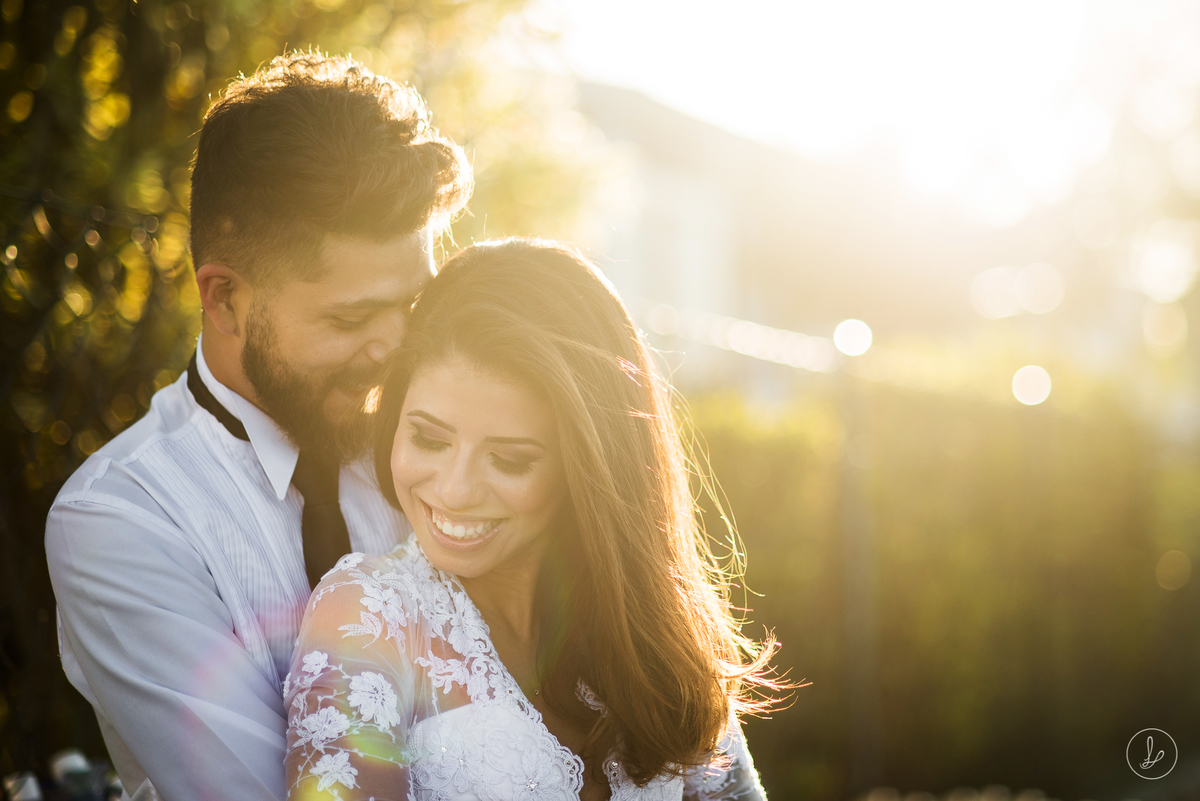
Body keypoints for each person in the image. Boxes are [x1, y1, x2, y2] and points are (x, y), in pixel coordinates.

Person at [45, 53, 471, 801]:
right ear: (225, 300)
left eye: (412, 304)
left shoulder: (455, 451)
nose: (396, 347)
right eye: (349, 317)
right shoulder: (120, 520)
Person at [284, 240, 781, 800]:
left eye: (510, 459)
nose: (454, 489)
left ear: (588, 467)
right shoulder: (368, 617)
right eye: (428, 437)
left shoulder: (648, 626)